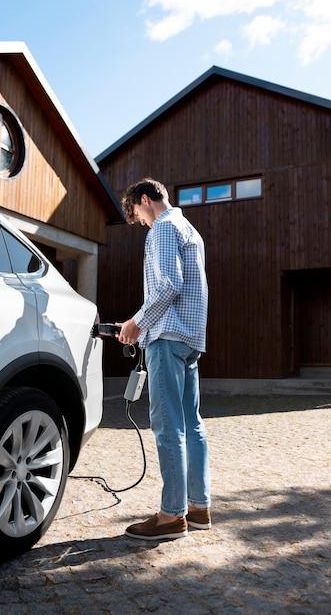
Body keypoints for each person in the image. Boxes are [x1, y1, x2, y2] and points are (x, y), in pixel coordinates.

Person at [117, 178, 211, 540]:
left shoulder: (163, 228)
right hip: (190, 338)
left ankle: (171, 516)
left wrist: (135, 324)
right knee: (192, 423)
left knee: (168, 424)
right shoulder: (190, 229)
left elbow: (168, 284)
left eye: (138, 214)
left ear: (145, 200)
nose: (141, 222)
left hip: (167, 337)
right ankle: (198, 507)